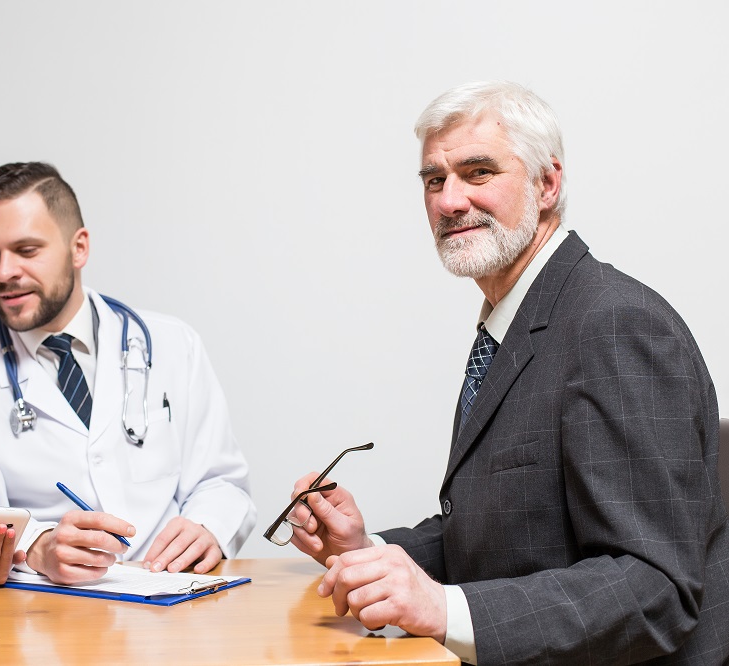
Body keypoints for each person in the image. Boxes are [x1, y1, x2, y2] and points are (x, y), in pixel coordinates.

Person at [286, 82, 729, 664]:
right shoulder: (513, 324)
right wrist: (365, 550)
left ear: (547, 184)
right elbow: (509, 536)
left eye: (478, 172)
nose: (449, 201)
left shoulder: (616, 325)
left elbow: (655, 589)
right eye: (434, 180)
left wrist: (444, 609)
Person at [0, 162, 256, 589]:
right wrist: (36, 544)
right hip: (38, 610)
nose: (4, 272)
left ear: (78, 248)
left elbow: (222, 481)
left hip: (169, 594)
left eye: (26, 250)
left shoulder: (174, 344)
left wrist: (209, 525)